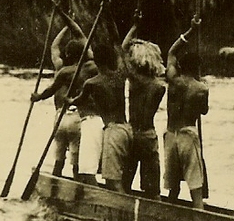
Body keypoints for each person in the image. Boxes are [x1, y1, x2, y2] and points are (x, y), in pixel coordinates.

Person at [30, 32, 98, 179]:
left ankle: (55, 186)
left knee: (58, 160)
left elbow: (54, 46)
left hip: (59, 119)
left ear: (67, 54)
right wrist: (72, 24)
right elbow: (86, 42)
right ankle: (77, 188)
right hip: (76, 118)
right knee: (76, 163)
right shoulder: (89, 70)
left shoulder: (61, 70)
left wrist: (38, 97)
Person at [70, 43, 131, 192]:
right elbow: (121, 49)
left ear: (96, 62)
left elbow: (78, 100)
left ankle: (116, 208)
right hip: (127, 129)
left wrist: (68, 101)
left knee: (110, 180)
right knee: (119, 178)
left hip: (112, 131)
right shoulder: (120, 76)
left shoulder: (91, 83)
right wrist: (134, 26)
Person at [164, 18, 209, 209]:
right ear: (197, 68)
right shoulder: (201, 88)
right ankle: (200, 217)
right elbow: (204, 111)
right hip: (188, 137)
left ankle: (169, 216)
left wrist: (190, 31)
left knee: (173, 188)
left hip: (170, 136)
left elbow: (172, 52)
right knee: (195, 188)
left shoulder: (173, 80)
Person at [120, 19, 166, 198]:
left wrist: (134, 27)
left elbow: (123, 50)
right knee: (152, 187)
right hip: (148, 135)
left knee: (125, 180)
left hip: (132, 133)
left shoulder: (135, 81)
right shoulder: (159, 86)